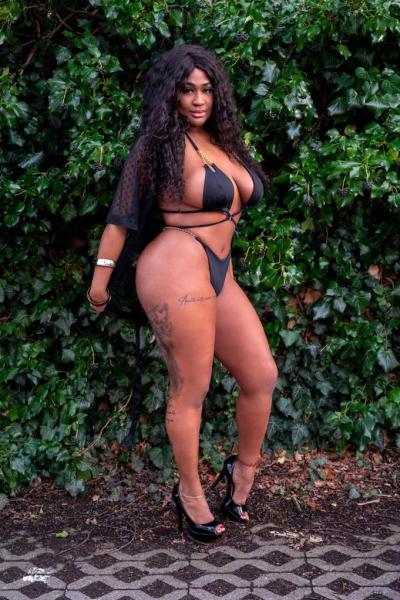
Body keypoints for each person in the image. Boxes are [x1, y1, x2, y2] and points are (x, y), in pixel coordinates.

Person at [87, 45, 278, 543]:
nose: (198, 100)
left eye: (207, 89)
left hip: (220, 272)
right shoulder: (157, 146)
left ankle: (242, 473)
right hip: (175, 265)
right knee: (191, 387)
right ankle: (190, 494)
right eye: (187, 89)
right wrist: (100, 282)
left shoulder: (224, 141)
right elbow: (121, 218)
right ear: (170, 94)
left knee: (261, 374)